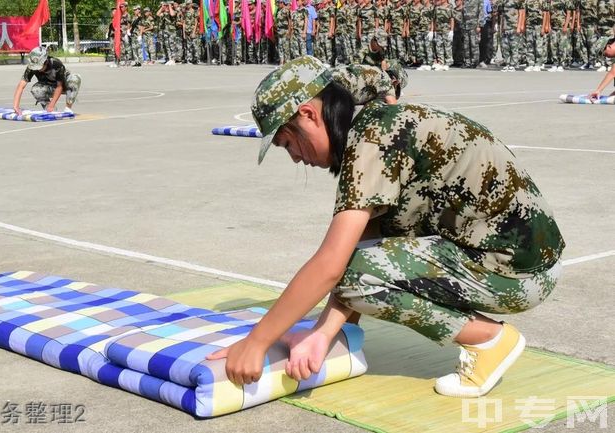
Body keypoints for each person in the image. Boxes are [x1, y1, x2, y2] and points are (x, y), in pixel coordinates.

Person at [207, 56, 565, 399]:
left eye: (288, 143)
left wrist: (256, 343)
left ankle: (487, 339)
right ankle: (351, 332)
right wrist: (325, 332)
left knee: (349, 270)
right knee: (357, 260)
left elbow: (332, 266)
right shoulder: (370, 119)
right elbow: (370, 235)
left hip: (516, 276)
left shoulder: (372, 142)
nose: (296, 157)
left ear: (308, 114)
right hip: (516, 260)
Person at [13, 47, 82, 115]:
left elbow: (59, 86)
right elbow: (21, 86)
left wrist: (52, 103)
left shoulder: (56, 64)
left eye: (39, 66)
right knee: (36, 89)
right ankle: (49, 109)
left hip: (64, 86)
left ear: (45, 61)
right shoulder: (32, 67)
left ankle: (68, 109)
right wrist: (16, 106)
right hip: (50, 87)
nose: (37, 69)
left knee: (75, 78)